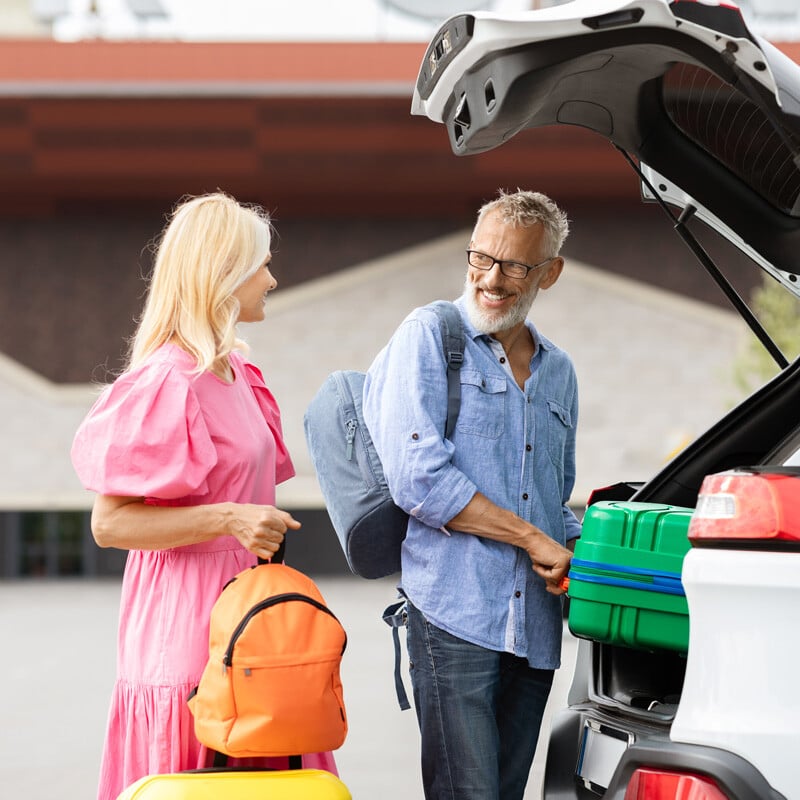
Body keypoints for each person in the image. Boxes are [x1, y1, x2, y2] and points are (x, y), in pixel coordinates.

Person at [70, 192, 338, 800]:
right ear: (222, 273)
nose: (272, 278)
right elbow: (109, 525)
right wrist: (228, 517)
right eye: (262, 264)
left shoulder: (239, 375)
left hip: (252, 623)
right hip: (187, 633)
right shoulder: (166, 380)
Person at [363, 189, 580, 800]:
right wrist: (532, 537)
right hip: (454, 617)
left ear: (550, 273)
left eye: (515, 265)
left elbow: (553, 497)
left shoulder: (558, 371)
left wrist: (584, 552)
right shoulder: (431, 336)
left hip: (534, 631)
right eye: (480, 258)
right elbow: (419, 478)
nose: (492, 278)